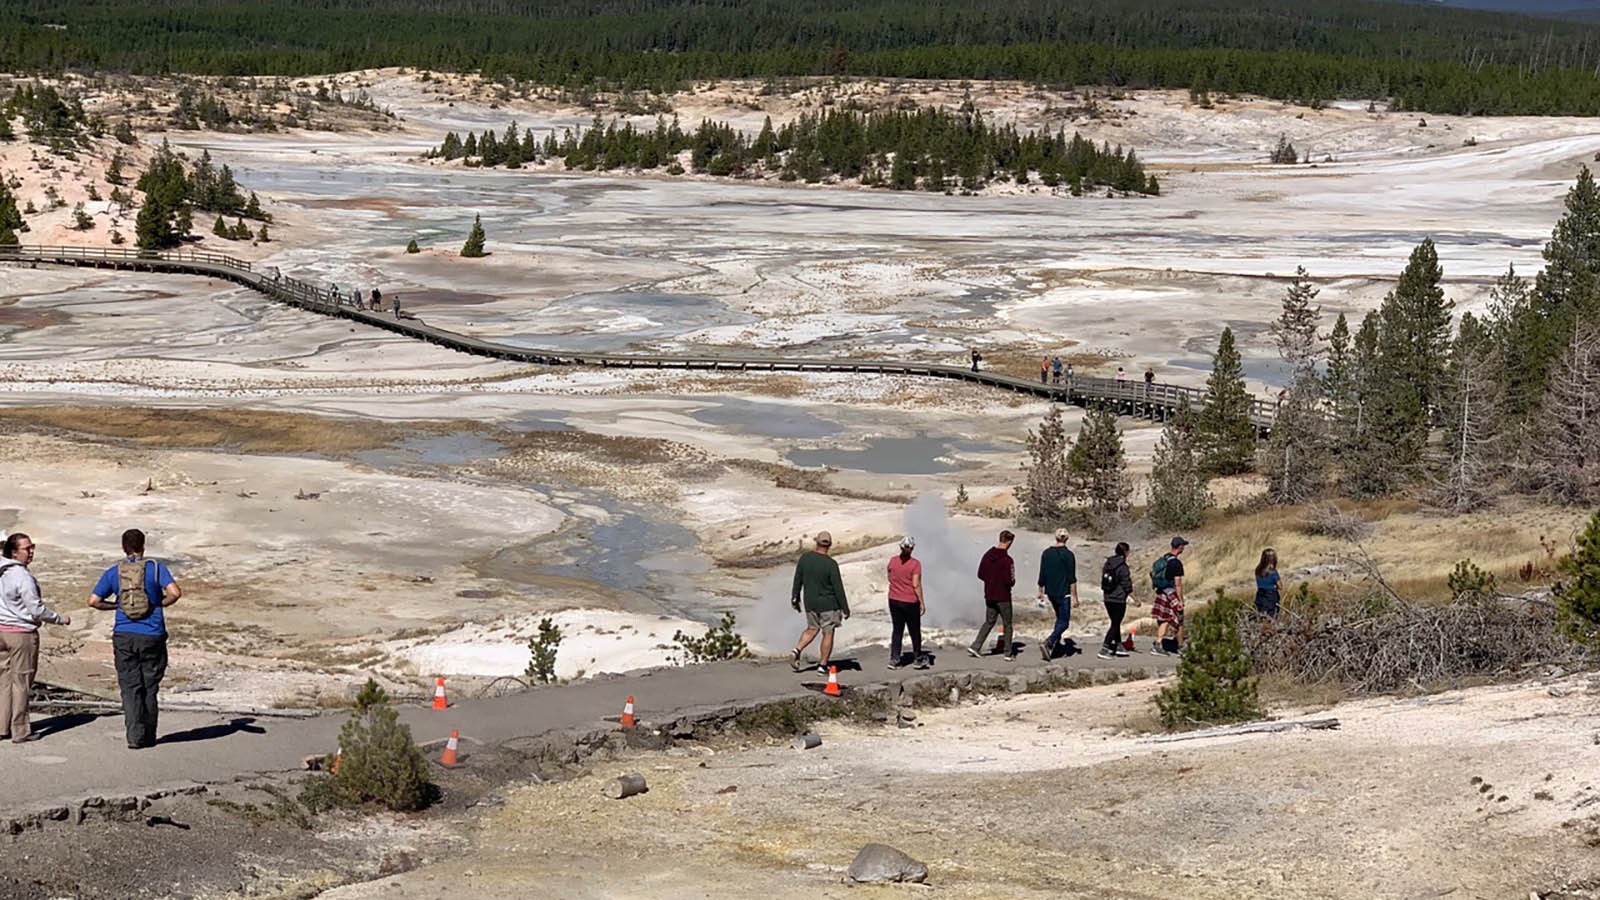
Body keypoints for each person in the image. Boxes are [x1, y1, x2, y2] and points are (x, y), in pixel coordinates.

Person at [88, 529, 181, 750]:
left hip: (124, 634)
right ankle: (149, 735)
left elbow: (93, 600)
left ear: (123, 547)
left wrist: (115, 606)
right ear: (143, 546)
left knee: (130, 687)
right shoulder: (156, 568)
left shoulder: (114, 571)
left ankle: (134, 736)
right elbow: (175, 593)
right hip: (152, 634)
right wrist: (159, 604)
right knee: (150, 685)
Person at [0, 533, 71, 743]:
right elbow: (35, 608)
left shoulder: (1, 572)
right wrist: (59, 619)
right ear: (14, 552)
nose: (31, 552)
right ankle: (20, 730)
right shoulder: (22, 576)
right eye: (27, 548)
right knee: (22, 681)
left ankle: (2, 726)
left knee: (4, 680)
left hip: (1, 630)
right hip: (21, 634)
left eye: (32, 547)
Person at [790, 531, 849, 675]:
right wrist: (845, 608)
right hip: (828, 604)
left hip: (810, 602)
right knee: (827, 633)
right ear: (829, 545)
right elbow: (838, 587)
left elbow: (798, 579)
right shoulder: (831, 564)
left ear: (816, 542)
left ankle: (796, 650)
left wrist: (795, 597)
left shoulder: (805, 559)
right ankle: (822, 666)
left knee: (812, 628)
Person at [968, 530, 1017, 660]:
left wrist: (990, 581)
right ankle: (1008, 652)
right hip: (1003, 596)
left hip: (989, 594)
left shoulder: (987, 555)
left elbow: (980, 574)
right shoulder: (1007, 560)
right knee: (1007, 623)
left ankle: (975, 646)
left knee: (989, 622)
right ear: (1009, 542)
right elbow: (1010, 580)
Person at [1037, 528, 1079, 661]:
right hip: (1063, 592)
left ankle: (1054, 648)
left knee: (1059, 619)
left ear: (1055, 537)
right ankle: (1049, 642)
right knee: (1065, 622)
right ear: (1066, 538)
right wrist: (1075, 597)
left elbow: (1042, 572)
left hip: (1051, 592)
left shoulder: (1046, 553)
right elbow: (1072, 578)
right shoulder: (1068, 555)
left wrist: (1040, 590)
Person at [886, 536, 926, 670]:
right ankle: (917, 658)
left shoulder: (892, 561)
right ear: (912, 548)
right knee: (914, 630)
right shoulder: (915, 564)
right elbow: (916, 584)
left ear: (900, 547)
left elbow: (889, 576)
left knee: (897, 630)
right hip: (909, 601)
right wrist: (921, 602)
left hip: (894, 599)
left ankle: (894, 658)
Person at [1150, 536, 1188, 655]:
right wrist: (1180, 600)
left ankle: (1159, 642)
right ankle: (1180, 646)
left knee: (1163, 618)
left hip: (1161, 592)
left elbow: (1152, 573)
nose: (1184, 547)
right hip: (1171, 593)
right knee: (1179, 619)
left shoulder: (1163, 559)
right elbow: (1178, 584)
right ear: (1180, 547)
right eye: (1183, 545)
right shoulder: (1176, 563)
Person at [1098, 542, 1134, 659]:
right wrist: (1134, 598)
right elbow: (1126, 584)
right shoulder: (1123, 567)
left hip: (1107, 597)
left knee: (1115, 621)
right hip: (1118, 599)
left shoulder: (1108, 563)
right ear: (1125, 552)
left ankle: (1119, 646)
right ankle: (1105, 647)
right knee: (1115, 623)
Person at [1254, 548, 1282, 617]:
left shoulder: (1258, 570)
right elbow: (1280, 586)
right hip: (1271, 596)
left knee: (1261, 614)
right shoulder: (1273, 572)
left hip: (1260, 595)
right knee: (1272, 615)